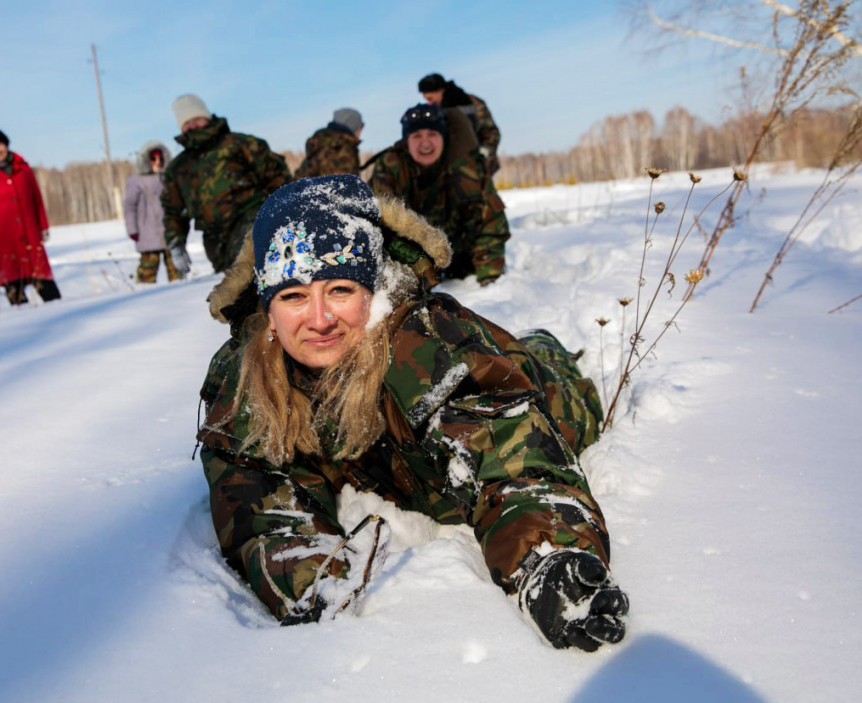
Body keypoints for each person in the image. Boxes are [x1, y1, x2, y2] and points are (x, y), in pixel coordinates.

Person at [196, 174, 628, 652]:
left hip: (550, 398)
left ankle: (546, 348)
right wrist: (310, 579)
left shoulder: (425, 346)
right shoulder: (246, 375)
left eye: (340, 289)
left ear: (372, 289)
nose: (318, 319)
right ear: (267, 307)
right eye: (294, 296)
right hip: (398, 467)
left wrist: (547, 560)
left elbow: (510, 456)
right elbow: (256, 492)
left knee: (552, 373)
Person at [368, 104, 509, 285]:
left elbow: (492, 224)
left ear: (444, 138)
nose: (425, 143)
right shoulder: (390, 167)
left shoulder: (468, 168)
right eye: (417, 136)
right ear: (406, 141)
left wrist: (490, 280)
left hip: (466, 264)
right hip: (413, 263)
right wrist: (417, 267)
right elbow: (381, 225)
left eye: (432, 134)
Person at [161, 94, 291, 273]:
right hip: (216, 242)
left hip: (253, 222)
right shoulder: (178, 168)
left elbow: (278, 177)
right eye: (186, 123)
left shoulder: (240, 145)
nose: (192, 126)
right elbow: (173, 211)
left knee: (253, 273)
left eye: (196, 119)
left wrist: (282, 215)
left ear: (206, 117)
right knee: (233, 286)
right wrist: (176, 243)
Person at [0, 128, 61, 306]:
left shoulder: (24, 169)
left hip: (30, 234)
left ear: (6, 145)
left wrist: (43, 225)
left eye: (0, 145)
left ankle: (58, 313)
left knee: (46, 285)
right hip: (3, 239)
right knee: (14, 288)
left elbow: (37, 199)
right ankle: (22, 322)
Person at [124, 140, 188, 283]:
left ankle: (181, 300)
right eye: (154, 158)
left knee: (177, 276)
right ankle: (144, 301)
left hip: (169, 232)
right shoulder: (136, 181)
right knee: (147, 275)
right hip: (147, 234)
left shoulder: (168, 179)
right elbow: (129, 207)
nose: (158, 162)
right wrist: (132, 229)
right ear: (146, 160)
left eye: (161, 158)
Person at [418, 72, 501, 175]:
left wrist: (483, 154)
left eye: (430, 98)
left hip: (478, 165)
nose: (429, 103)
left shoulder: (471, 103)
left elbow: (490, 132)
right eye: (426, 100)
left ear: (441, 90)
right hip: (448, 170)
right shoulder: (434, 112)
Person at [293, 108, 363, 179]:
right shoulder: (342, 148)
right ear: (353, 126)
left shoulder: (320, 145)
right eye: (361, 125)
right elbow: (344, 186)